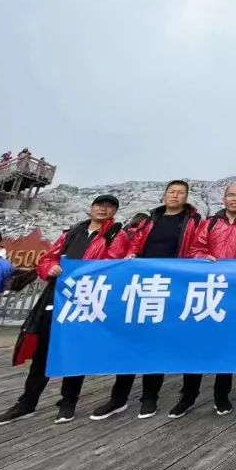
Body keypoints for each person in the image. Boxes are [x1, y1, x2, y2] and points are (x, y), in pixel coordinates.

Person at [0, 195, 127, 425]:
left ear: (114, 212)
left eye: (109, 206)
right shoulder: (72, 232)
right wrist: (49, 268)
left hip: (87, 300)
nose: (103, 209)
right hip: (57, 296)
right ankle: (26, 403)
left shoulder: (117, 235)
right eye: (99, 205)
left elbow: (113, 264)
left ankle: (68, 402)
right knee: (43, 350)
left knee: (77, 351)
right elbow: (47, 259)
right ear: (91, 208)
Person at [90, 180, 202, 422]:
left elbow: (195, 249)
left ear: (186, 197)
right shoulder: (150, 220)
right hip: (141, 286)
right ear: (164, 195)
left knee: (157, 343)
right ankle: (118, 398)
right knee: (130, 341)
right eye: (172, 192)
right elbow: (135, 243)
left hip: (171, 288)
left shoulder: (193, 222)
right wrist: (132, 253)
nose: (175, 196)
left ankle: (150, 397)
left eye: (180, 193)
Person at [168, 181, 236, 420]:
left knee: (226, 346)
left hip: (234, 295)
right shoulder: (210, 223)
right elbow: (194, 249)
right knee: (196, 345)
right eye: (230, 195)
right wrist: (203, 256)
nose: (234, 199)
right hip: (207, 291)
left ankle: (222, 395)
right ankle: (188, 396)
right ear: (224, 198)